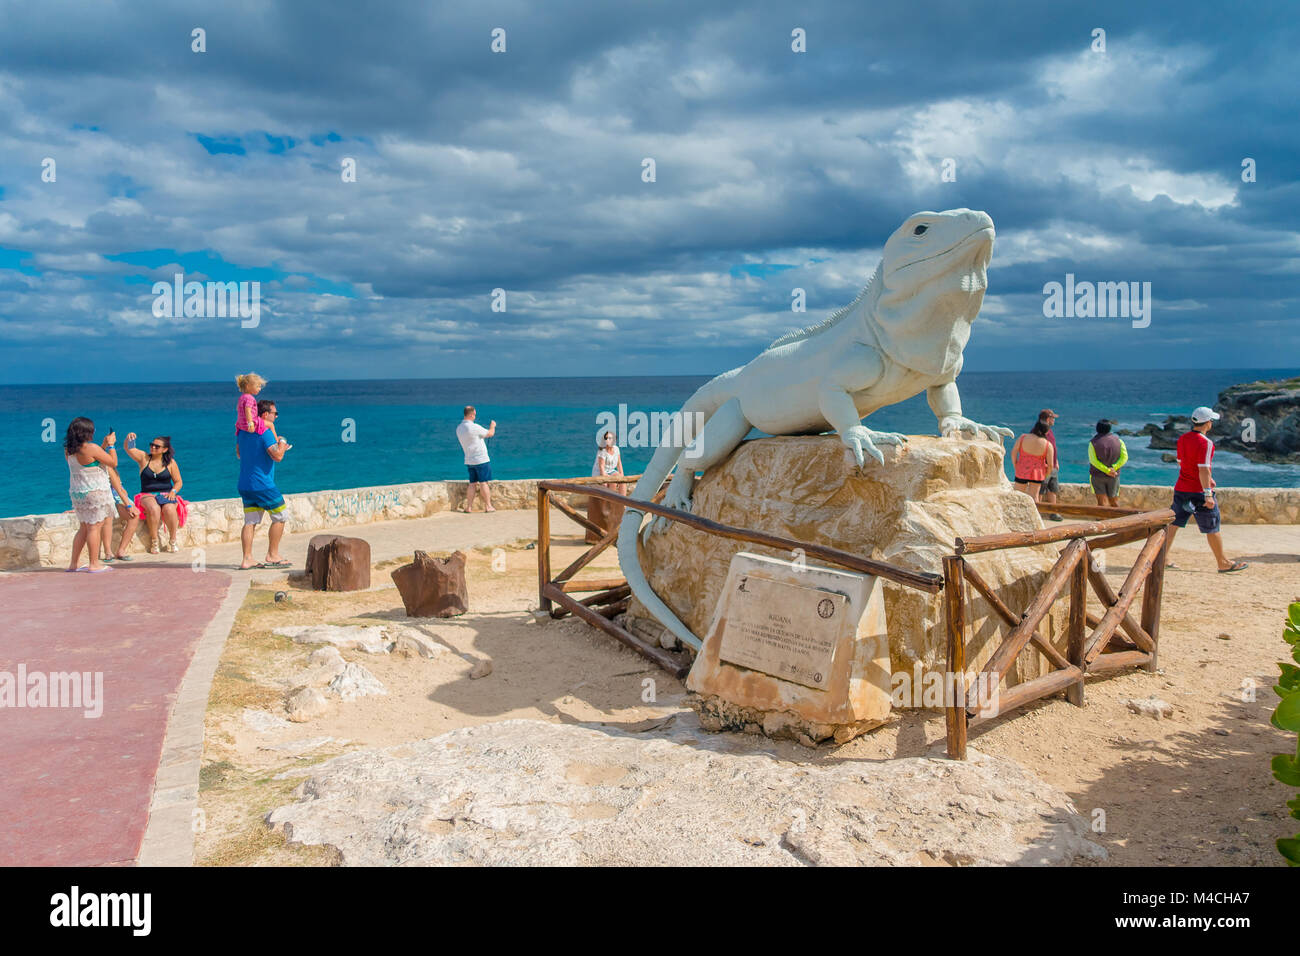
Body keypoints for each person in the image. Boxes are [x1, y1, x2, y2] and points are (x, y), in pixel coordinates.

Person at [1165, 406, 1247, 573]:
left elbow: (1182, 463)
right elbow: (1204, 468)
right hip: (1199, 492)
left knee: (1173, 524)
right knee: (1212, 527)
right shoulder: (1206, 443)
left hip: (1182, 488)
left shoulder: (1182, 439)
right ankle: (1222, 562)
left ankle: (1162, 558)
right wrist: (1208, 492)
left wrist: (1207, 479)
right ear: (1208, 423)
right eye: (1211, 421)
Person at [236, 398, 292, 569]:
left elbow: (239, 454)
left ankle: (247, 559)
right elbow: (278, 456)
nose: (276, 417)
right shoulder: (265, 432)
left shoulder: (243, 432)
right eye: (275, 413)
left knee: (250, 520)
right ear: (266, 414)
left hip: (245, 483)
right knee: (280, 516)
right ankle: (273, 554)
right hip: (262, 484)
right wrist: (282, 442)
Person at [64, 417, 118, 572]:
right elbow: (113, 462)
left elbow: (91, 461)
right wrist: (112, 445)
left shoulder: (69, 449)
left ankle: (73, 564)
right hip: (95, 492)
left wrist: (103, 446)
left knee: (83, 528)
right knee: (94, 527)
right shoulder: (91, 448)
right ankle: (94, 564)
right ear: (87, 432)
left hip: (78, 493)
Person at [125, 434, 185, 553]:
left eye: (157, 446)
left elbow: (178, 482)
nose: (153, 448)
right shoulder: (144, 458)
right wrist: (129, 440)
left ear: (164, 450)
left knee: (169, 509)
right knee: (154, 508)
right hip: (147, 494)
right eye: (152, 445)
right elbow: (130, 449)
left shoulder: (171, 463)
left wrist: (173, 492)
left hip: (166, 494)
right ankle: (154, 541)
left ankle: (173, 540)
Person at [99, 436, 140, 562]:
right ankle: (108, 552)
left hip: (118, 496)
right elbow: (116, 488)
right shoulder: (108, 466)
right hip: (111, 497)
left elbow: (119, 486)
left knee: (134, 516)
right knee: (108, 519)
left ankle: (120, 550)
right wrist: (128, 504)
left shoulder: (107, 465)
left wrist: (106, 444)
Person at [586, 430, 626, 543]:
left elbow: (619, 463)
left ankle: (623, 503)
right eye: (607, 438)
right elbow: (602, 467)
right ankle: (611, 503)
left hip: (611, 471)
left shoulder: (617, 449)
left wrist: (622, 476)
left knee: (621, 481)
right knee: (612, 482)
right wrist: (606, 479)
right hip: (600, 473)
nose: (609, 440)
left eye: (611, 438)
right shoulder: (602, 451)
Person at [456, 405, 496, 513]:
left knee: (472, 483)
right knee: (484, 483)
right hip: (481, 459)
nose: (475, 416)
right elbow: (490, 433)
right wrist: (493, 426)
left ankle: (469, 507)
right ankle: (488, 506)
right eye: (474, 414)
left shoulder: (459, 428)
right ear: (472, 414)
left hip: (469, 460)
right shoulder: (473, 427)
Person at [1010, 421, 1055, 501]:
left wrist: (1016, 465)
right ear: (1046, 431)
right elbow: (1051, 465)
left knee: (1017, 496)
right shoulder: (1048, 445)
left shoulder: (1023, 438)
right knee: (1034, 497)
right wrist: (1046, 475)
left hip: (1022, 470)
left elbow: (1013, 453)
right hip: (1037, 473)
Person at [1087, 419, 1128, 508]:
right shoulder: (1119, 441)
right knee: (1114, 501)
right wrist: (1114, 468)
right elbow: (1124, 457)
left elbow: (1093, 461)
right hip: (1114, 475)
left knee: (1101, 502)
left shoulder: (1093, 443)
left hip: (1097, 476)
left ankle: (1102, 520)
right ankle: (1118, 519)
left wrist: (1106, 470)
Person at [234, 373, 278, 446]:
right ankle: (276, 442)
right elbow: (247, 410)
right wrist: (250, 424)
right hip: (251, 422)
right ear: (248, 386)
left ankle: (238, 449)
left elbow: (238, 409)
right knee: (270, 424)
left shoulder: (242, 397)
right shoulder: (250, 398)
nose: (259, 389)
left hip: (240, 424)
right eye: (258, 386)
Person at [1037, 409, 1064, 520]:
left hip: (1052, 466)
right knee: (1040, 490)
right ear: (1048, 419)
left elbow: (1052, 447)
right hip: (1044, 467)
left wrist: (1055, 461)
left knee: (1053, 489)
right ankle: (1038, 513)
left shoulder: (1049, 431)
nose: (1054, 421)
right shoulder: (1040, 432)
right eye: (1053, 418)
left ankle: (1053, 512)